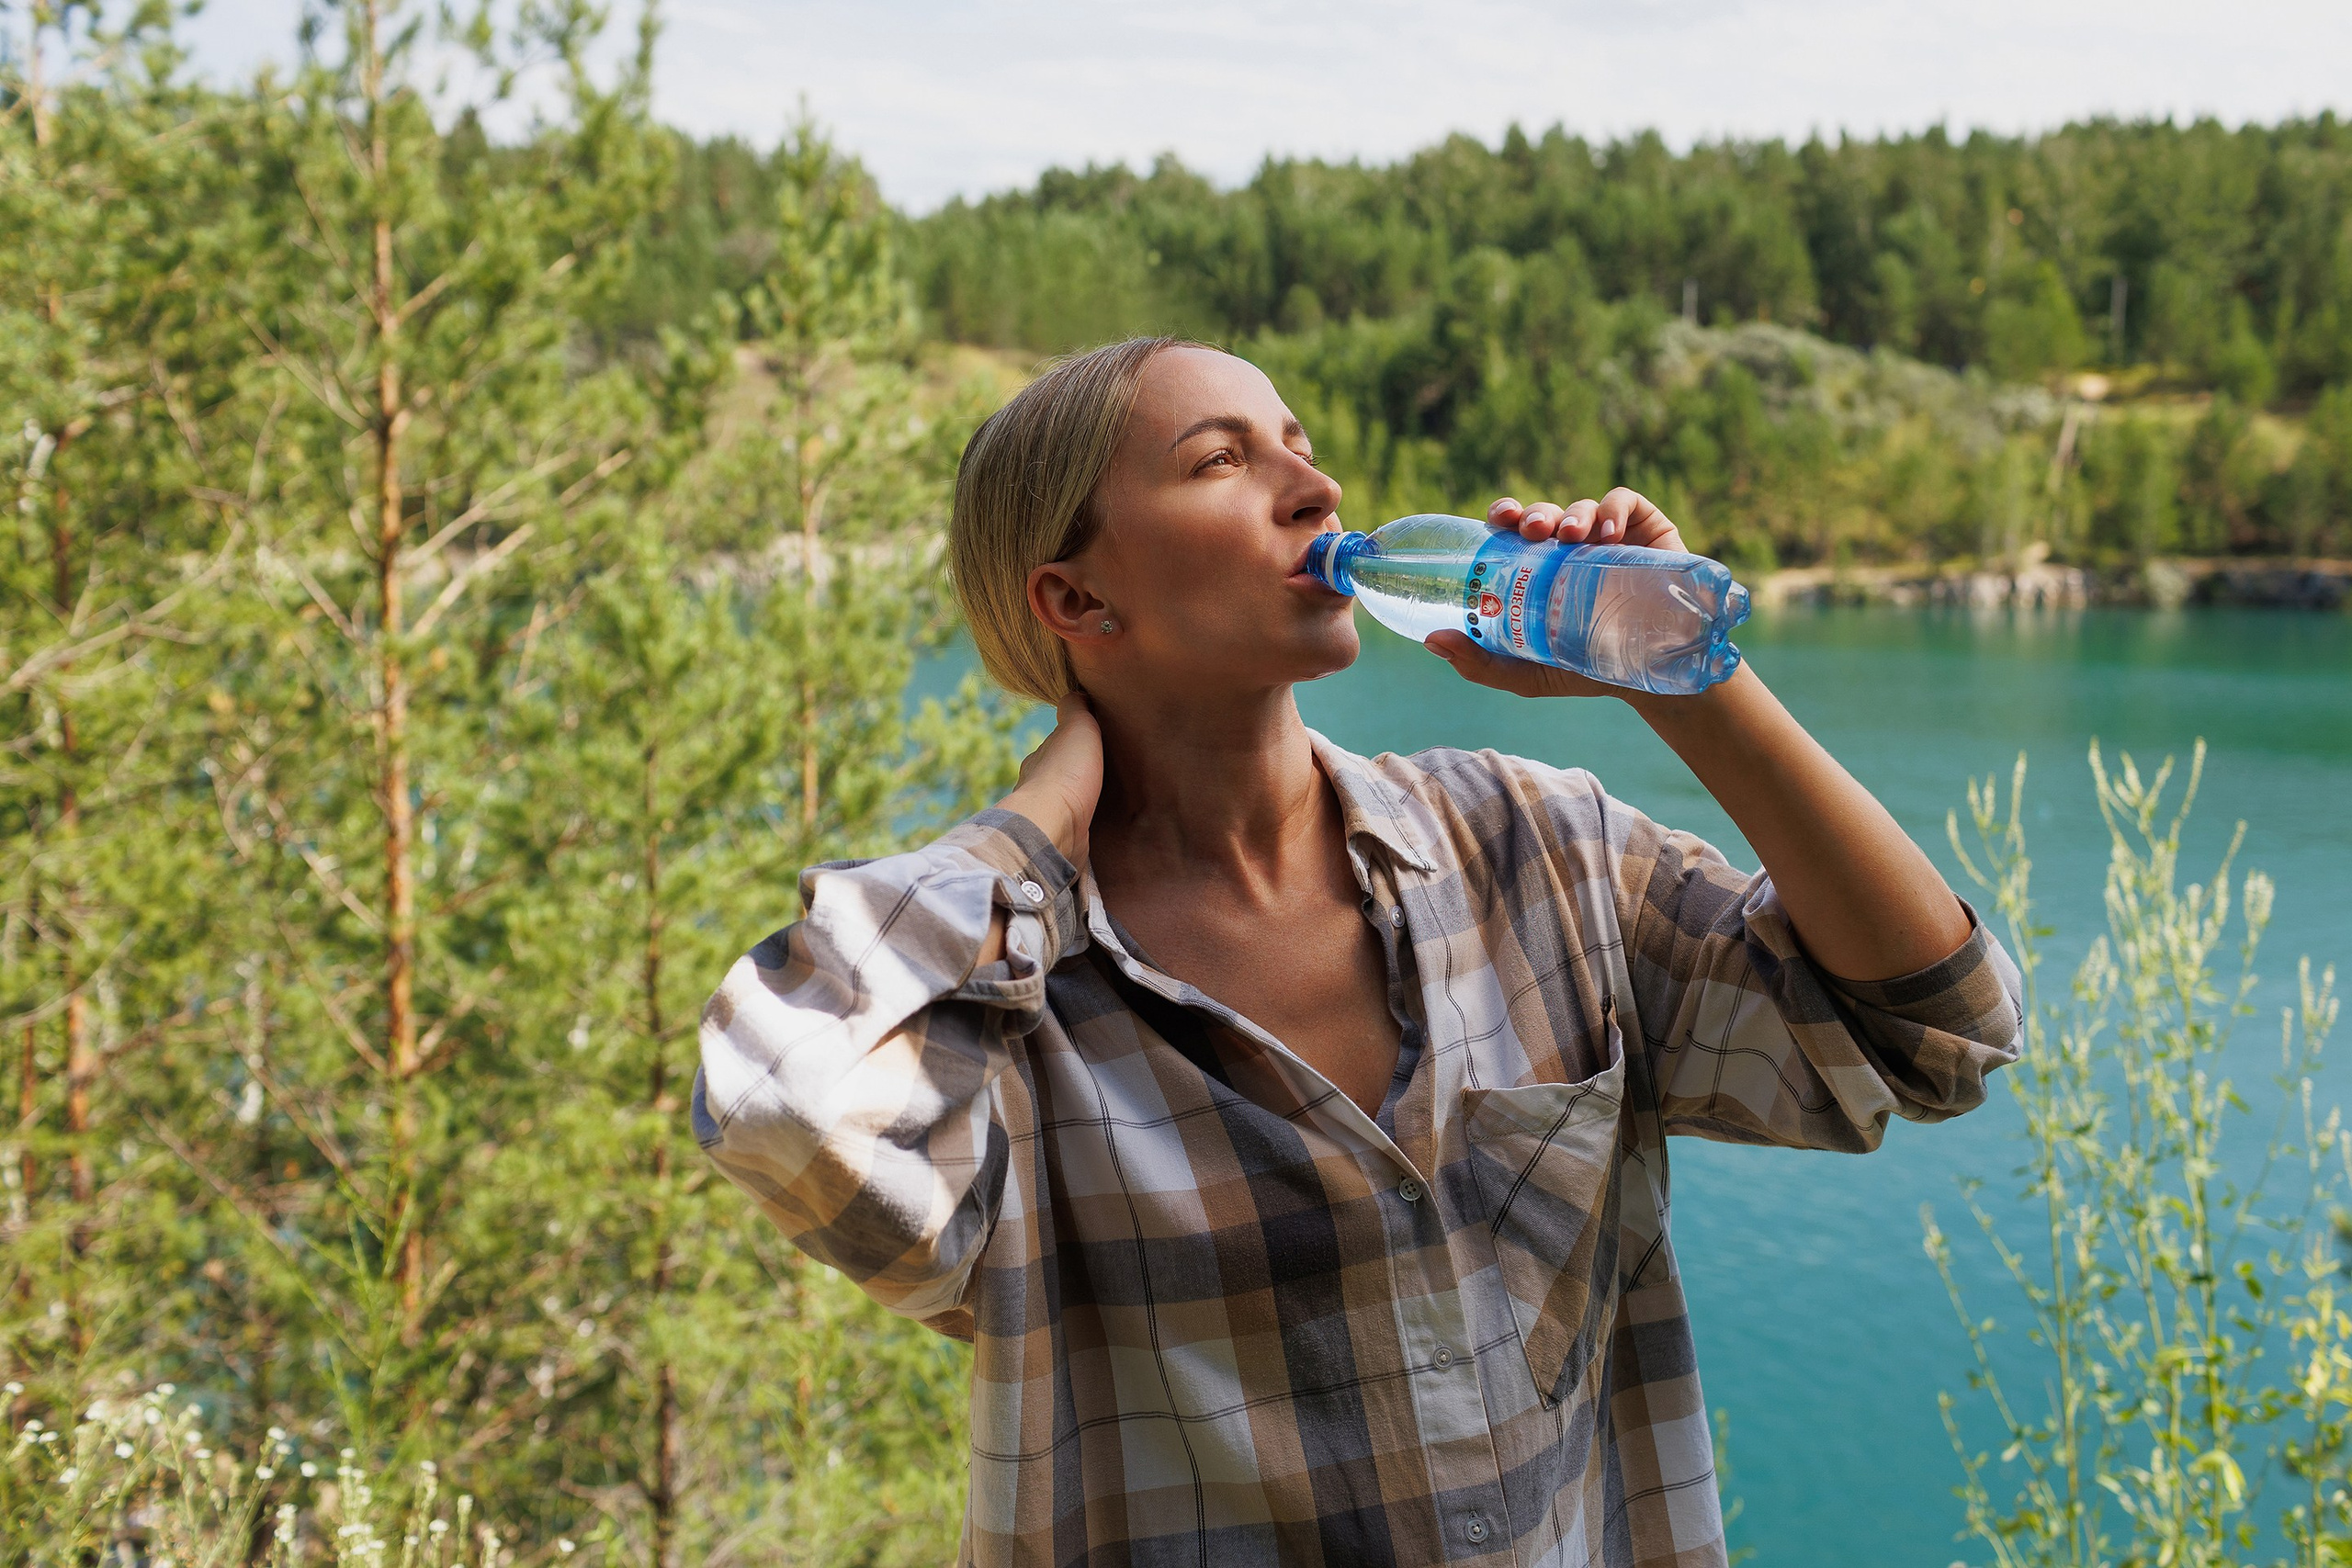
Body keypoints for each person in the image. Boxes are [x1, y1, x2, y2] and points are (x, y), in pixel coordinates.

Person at [694, 336, 2022, 1568]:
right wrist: (1031, 822)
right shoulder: (1011, 994)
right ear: (1075, 595)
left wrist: (1684, 674)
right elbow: (781, 1105)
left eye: (1300, 442)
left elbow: (1930, 1032)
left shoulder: (1531, 847)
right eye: (1222, 461)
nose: (1315, 487)